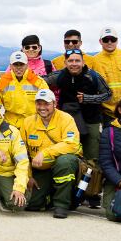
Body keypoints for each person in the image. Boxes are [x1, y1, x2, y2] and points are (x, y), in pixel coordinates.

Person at [46, 49, 111, 208]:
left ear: (83, 62)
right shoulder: (59, 76)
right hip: (67, 122)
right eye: (70, 61)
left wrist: (88, 98)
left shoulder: (93, 76)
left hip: (90, 120)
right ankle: (67, 192)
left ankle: (92, 193)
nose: (74, 64)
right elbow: (40, 81)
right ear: (65, 62)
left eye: (77, 61)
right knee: (67, 155)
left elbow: (108, 94)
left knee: (91, 158)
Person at [20, 89, 82, 218]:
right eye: (39, 103)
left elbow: (72, 144)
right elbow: (22, 152)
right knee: (33, 204)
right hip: (41, 169)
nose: (42, 107)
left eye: (46, 104)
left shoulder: (66, 119)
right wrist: (28, 175)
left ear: (54, 103)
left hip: (63, 164)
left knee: (64, 162)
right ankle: (50, 197)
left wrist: (45, 152)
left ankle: (61, 205)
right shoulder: (27, 122)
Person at [0, 51, 49, 128]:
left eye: (21, 64)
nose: (18, 67)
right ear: (10, 66)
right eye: (15, 64)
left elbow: (47, 104)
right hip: (10, 125)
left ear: (27, 65)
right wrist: (1, 122)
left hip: (33, 124)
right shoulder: (2, 82)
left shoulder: (38, 82)